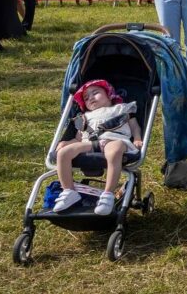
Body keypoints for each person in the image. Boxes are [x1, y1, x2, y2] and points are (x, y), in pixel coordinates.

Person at [53, 80, 143, 216]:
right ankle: (69, 192)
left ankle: (107, 195)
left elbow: (134, 125)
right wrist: (67, 143)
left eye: (95, 93)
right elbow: (78, 138)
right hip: (89, 143)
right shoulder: (84, 117)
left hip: (114, 139)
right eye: (86, 98)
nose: (91, 98)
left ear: (109, 95)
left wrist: (137, 138)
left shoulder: (121, 108)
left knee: (114, 150)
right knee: (63, 153)